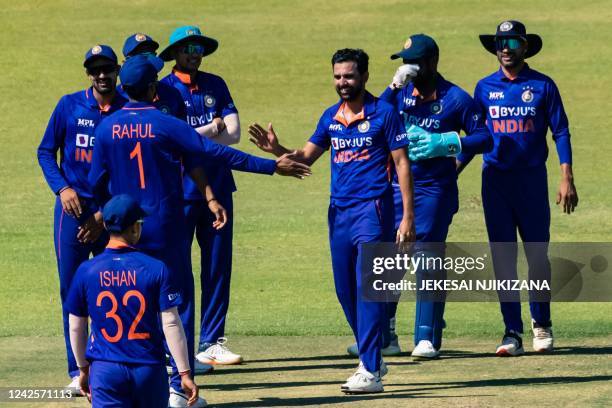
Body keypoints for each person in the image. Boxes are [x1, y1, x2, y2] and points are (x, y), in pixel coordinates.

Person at [88, 54, 310, 407]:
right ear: (152, 89)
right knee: (177, 303)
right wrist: (271, 167)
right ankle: (178, 385)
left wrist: (100, 218)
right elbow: (217, 153)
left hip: (123, 231)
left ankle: (127, 378)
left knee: (131, 301)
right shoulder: (165, 123)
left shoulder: (105, 128)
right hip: (164, 225)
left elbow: (94, 184)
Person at [249, 48, 415, 393]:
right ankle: (374, 356)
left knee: (366, 288)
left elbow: (402, 164)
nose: (343, 82)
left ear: (365, 77)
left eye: (349, 76)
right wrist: (277, 150)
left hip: (374, 209)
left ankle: (370, 369)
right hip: (338, 212)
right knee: (344, 290)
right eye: (338, 76)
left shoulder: (384, 113)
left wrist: (407, 217)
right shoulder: (330, 117)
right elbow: (306, 158)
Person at [345, 34, 493, 360]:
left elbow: (485, 138)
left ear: (432, 62)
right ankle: (384, 337)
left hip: (434, 189)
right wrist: (393, 87)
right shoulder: (401, 94)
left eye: (413, 62)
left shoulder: (455, 98)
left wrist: (447, 142)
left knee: (427, 258)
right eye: (403, 62)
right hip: (394, 187)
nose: (407, 67)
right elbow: (372, 114)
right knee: (388, 261)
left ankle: (427, 337)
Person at [457, 20, 578, 356]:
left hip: (531, 181)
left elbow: (561, 132)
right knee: (503, 259)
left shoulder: (542, 85)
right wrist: (453, 169)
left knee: (537, 256)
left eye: (512, 42)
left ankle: (542, 325)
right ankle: (512, 332)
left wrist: (566, 176)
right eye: (500, 42)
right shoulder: (483, 88)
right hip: (495, 182)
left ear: (525, 46)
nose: (505, 48)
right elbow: (477, 138)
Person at [37, 44, 127, 393]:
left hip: (113, 214)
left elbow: (132, 170)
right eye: (95, 70)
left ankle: (114, 363)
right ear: (88, 73)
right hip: (71, 213)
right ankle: (79, 369)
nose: (102, 75)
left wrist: (105, 215)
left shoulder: (127, 109)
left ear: (117, 71)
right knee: (72, 289)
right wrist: (62, 189)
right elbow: (46, 151)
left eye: (108, 69)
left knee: (116, 287)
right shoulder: (68, 105)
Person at [159, 25, 245, 365]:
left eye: (198, 47)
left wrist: (195, 136)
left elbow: (235, 134)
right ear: (175, 53)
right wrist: (211, 129)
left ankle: (212, 342)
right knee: (177, 269)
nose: (194, 53)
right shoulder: (163, 91)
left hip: (220, 187)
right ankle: (178, 345)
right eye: (187, 47)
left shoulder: (216, 84)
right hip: (178, 191)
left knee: (217, 267)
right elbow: (171, 140)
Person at [66, 194, 199, 407]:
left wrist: (82, 369)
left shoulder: (87, 270)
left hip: (105, 370)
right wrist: (184, 372)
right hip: (148, 369)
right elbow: (172, 323)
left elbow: (76, 326)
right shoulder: (156, 268)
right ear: (135, 228)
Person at [119, 32, 186, 120]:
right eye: (139, 57)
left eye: (149, 55)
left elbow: (181, 130)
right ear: (125, 63)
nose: (144, 62)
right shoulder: (117, 96)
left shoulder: (172, 94)